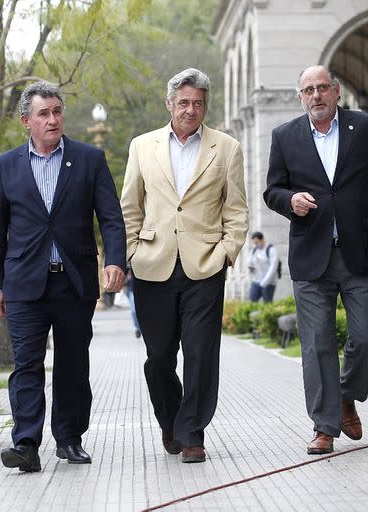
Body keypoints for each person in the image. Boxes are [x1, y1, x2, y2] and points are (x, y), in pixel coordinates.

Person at [0, 81, 126, 472]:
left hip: (74, 281)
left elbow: (111, 218)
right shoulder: (5, 165)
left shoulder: (89, 159)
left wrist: (116, 260)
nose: (52, 119)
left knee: (72, 365)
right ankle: (26, 444)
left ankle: (69, 439)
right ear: (26, 121)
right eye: (43, 113)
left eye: (57, 111)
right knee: (26, 364)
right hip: (24, 285)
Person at [264, 65, 368, 455]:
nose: (316, 95)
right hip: (311, 256)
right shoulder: (285, 136)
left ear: (336, 92)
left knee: (367, 338)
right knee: (317, 343)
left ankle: (345, 395)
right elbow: (272, 189)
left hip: (364, 253)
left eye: (323, 87)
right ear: (300, 96)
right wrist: (289, 201)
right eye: (308, 89)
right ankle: (324, 426)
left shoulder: (367, 127)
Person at [120, 68, 248, 464]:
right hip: (152, 264)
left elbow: (237, 208)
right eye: (183, 103)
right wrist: (130, 252)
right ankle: (171, 418)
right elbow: (129, 206)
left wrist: (227, 252)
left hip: (205, 265)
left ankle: (192, 432)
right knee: (159, 357)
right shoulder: (142, 146)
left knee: (200, 352)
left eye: (197, 103)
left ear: (205, 105)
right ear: (169, 104)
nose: (190, 110)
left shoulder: (226, 148)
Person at [247, 231, 279, 302]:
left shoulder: (271, 249)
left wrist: (265, 282)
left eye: (257, 242)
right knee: (252, 302)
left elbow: (273, 268)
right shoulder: (254, 250)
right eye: (254, 243)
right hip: (256, 281)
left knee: (267, 303)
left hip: (268, 282)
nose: (255, 245)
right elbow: (249, 262)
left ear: (262, 240)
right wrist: (250, 268)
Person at [124, 267, 141, 338]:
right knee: (133, 310)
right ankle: (138, 328)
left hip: (145, 287)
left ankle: (144, 326)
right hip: (132, 289)